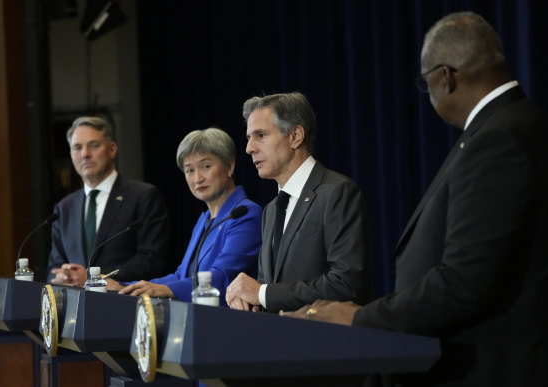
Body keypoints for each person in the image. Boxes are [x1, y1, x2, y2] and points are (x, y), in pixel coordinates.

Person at [286, 12, 548, 387]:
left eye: (426, 86)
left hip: (488, 366)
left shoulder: (499, 138)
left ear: (445, 78)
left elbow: (465, 280)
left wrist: (359, 318)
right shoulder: (507, 127)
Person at [226, 92, 372, 313]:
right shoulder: (271, 211)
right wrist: (251, 302)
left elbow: (347, 285)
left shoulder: (337, 193)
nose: (249, 148)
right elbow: (269, 290)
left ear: (295, 136)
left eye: (261, 135)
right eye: (249, 138)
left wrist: (262, 294)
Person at [107, 128, 261, 306]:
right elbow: (181, 276)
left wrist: (165, 290)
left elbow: (222, 277)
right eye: (189, 170)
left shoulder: (246, 215)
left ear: (229, 166)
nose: (197, 178)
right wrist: (124, 286)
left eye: (206, 166)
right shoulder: (204, 219)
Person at [48, 116, 173, 286]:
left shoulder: (143, 196)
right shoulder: (64, 208)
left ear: (112, 149)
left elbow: (152, 259)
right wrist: (61, 277)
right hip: (76, 309)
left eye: (93, 145)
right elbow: (54, 267)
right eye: (77, 148)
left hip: (125, 305)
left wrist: (96, 280)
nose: (85, 154)